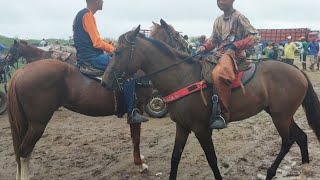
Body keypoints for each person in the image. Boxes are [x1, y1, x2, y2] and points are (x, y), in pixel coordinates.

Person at [73, 0, 148, 124]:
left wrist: (107, 45)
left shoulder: (80, 15)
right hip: (93, 58)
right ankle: (132, 112)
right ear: (96, 1)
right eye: (101, 0)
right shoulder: (88, 15)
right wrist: (114, 50)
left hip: (85, 56)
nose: (103, 2)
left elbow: (93, 40)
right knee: (128, 73)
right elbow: (96, 42)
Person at [196, 0, 260, 129]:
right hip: (219, 55)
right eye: (218, 0)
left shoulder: (239, 17)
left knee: (219, 74)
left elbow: (255, 36)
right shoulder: (218, 20)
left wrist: (235, 46)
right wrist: (204, 47)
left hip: (235, 56)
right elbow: (213, 39)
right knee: (196, 69)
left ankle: (223, 114)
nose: (220, 2)